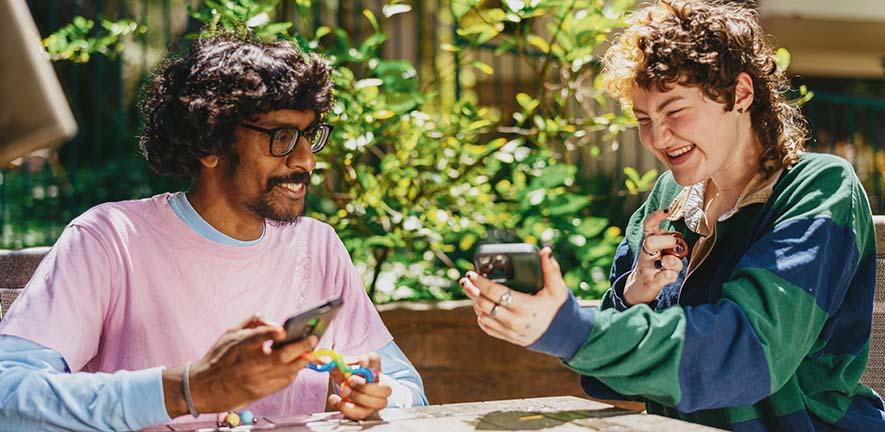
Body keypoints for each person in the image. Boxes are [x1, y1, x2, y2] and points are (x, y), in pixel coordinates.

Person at [460, 1, 885, 430]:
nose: (657, 138)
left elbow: (747, 357)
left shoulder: (820, 187)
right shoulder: (671, 196)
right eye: (643, 118)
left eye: (675, 111)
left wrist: (571, 329)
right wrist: (636, 293)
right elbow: (610, 382)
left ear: (740, 93)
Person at [0, 33, 427, 431]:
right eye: (281, 136)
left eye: (308, 135)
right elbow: (8, 397)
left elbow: (409, 390)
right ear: (210, 144)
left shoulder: (316, 246)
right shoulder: (111, 240)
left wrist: (376, 398)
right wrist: (189, 389)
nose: (305, 161)